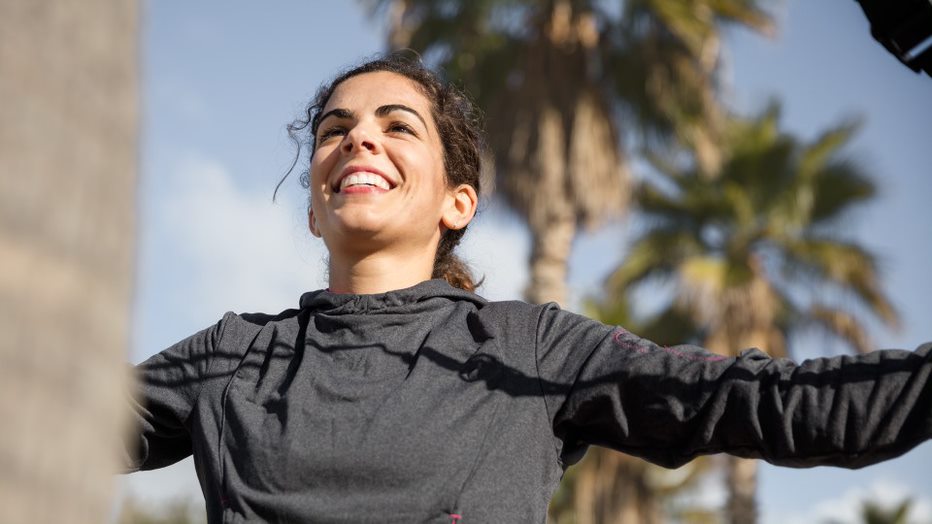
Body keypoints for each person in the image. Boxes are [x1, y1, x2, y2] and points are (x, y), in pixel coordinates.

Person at [125, 54, 932, 524]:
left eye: (396, 125)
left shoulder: (528, 348)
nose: (358, 136)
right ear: (314, 207)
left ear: (458, 201)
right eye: (336, 129)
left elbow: (761, 404)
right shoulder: (234, 356)